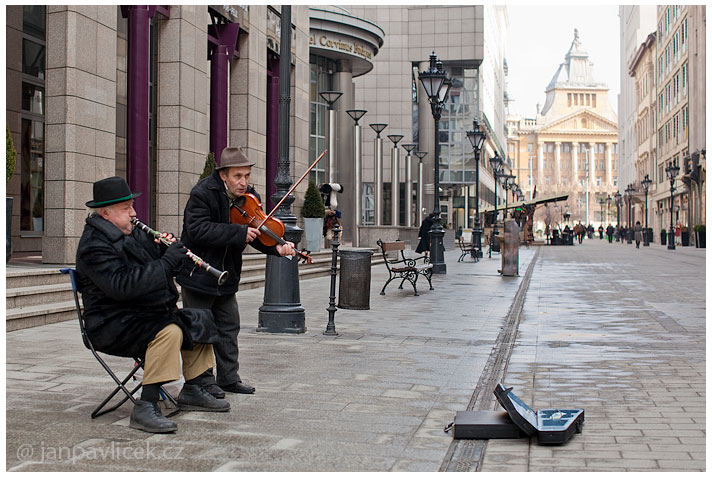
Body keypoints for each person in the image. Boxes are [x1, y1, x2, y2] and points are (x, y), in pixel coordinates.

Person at [76, 176, 230, 434]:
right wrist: (165, 262)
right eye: (126, 209)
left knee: (198, 318)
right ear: (105, 213)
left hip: (142, 313)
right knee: (169, 331)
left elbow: (153, 268)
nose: (134, 213)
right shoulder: (94, 245)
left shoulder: (132, 232)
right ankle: (146, 405)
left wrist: (167, 253)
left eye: (132, 206)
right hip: (111, 322)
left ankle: (193, 387)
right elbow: (122, 286)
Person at [177, 147, 295, 397]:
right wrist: (238, 233)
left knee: (229, 327)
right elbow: (197, 230)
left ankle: (228, 378)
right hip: (199, 272)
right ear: (223, 175)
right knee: (200, 329)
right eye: (237, 176)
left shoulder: (249, 197)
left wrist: (277, 247)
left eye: (247, 176)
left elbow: (255, 233)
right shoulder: (202, 193)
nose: (243, 182)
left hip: (226, 273)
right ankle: (202, 382)